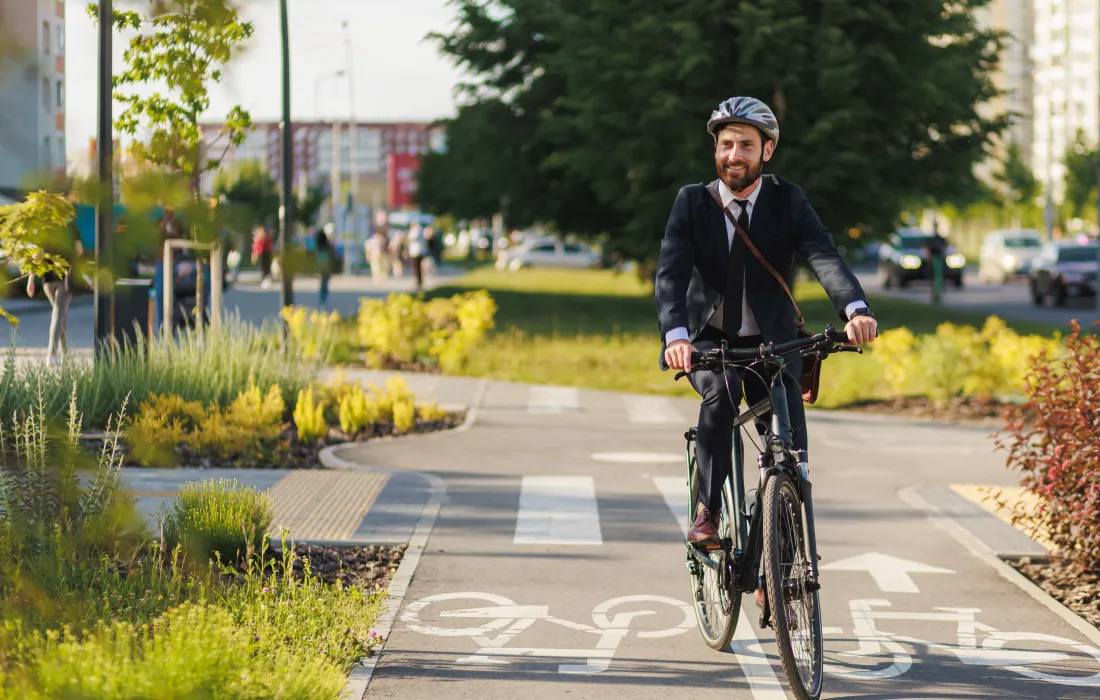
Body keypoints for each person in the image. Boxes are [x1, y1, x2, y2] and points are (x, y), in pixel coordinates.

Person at [655, 96, 878, 604]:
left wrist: (855, 309)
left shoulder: (787, 200)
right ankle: (708, 513)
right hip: (709, 342)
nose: (735, 154)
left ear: (767, 151)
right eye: (726, 144)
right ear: (716, 149)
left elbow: (824, 254)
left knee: (790, 452)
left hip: (775, 342)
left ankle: (777, 561)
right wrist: (677, 336)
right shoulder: (692, 201)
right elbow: (670, 274)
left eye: (747, 146)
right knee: (720, 397)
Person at [27, 219, 82, 366]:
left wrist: (30, 281)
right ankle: (51, 354)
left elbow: (36, 256)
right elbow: (79, 251)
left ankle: (65, 354)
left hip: (47, 279)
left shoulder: (43, 226)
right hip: (65, 278)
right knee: (58, 315)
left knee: (60, 315)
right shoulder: (70, 225)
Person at [313, 227, 335, 307]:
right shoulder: (327, 245)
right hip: (327, 265)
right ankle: (324, 294)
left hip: (320, 265)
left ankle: (322, 295)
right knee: (325, 281)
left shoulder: (318, 245)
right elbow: (332, 253)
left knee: (322, 280)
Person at [407, 223, 428, 291]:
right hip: (419, 251)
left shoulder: (416, 230)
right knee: (418, 267)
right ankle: (419, 281)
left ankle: (418, 282)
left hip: (416, 252)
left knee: (416, 267)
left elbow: (411, 238)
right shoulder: (421, 230)